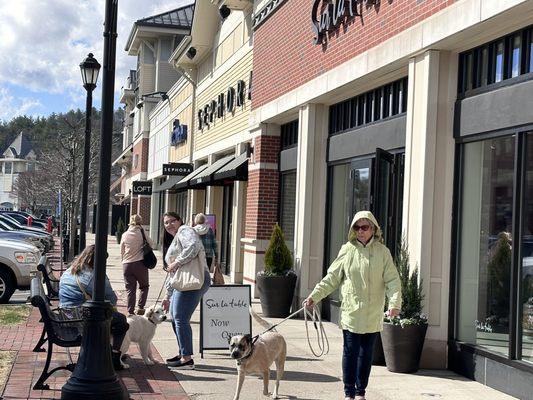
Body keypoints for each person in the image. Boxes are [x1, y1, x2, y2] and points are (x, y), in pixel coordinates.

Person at [304, 211, 401, 400]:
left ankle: (360, 392)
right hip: (351, 313)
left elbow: (393, 281)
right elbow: (332, 278)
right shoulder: (347, 250)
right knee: (350, 353)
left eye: (365, 227)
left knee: (366, 356)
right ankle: (349, 392)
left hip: (372, 315)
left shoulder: (383, 253)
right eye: (357, 227)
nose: (361, 231)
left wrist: (394, 303)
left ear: (373, 229)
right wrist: (314, 296)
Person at [58, 244, 129, 370]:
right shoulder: (93, 276)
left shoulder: (69, 271)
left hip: (65, 315)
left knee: (108, 318)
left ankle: (106, 351)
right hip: (81, 317)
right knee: (121, 321)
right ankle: (113, 356)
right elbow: (112, 299)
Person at [161, 212, 211, 369]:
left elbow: (193, 247)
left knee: (181, 318)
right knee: (176, 318)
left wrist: (176, 262)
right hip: (182, 282)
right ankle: (183, 353)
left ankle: (187, 359)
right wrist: (167, 295)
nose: (169, 225)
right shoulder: (177, 237)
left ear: (180, 220)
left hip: (194, 280)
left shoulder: (184, 230)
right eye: (166, 223)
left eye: (172, 221)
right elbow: (173, 273)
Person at [120, 214, 151, 315]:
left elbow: (122, 251)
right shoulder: (141, 232)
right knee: (144, 286)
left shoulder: (124, 234)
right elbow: (151, 243)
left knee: (130, 289)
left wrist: (123, 261)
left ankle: (130, 311)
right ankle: (141, 308)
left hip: (126, 265)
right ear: (140, 222)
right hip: (140, 264)